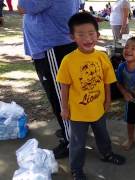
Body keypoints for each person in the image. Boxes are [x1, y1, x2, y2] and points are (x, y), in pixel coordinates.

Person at [57, 12, 126, 180]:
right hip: (78, 113)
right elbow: (64, 86)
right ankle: (76, 170)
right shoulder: (68, 60)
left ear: (98, 35)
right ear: (72, 37)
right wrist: (64, 108)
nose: (87, 39)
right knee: (77, 143)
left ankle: (107, 154)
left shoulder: (102, 57)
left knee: (103, 134)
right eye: (81, 35)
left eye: (91, 34)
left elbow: (107, 81)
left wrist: (108, 100)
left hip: (98, 108)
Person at [17, 0, 80, 159]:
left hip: (52, 46)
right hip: (57, 45)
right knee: (64, 94)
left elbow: (22, 7)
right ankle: (71, 130)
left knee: (59, 96)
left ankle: (71, 140)